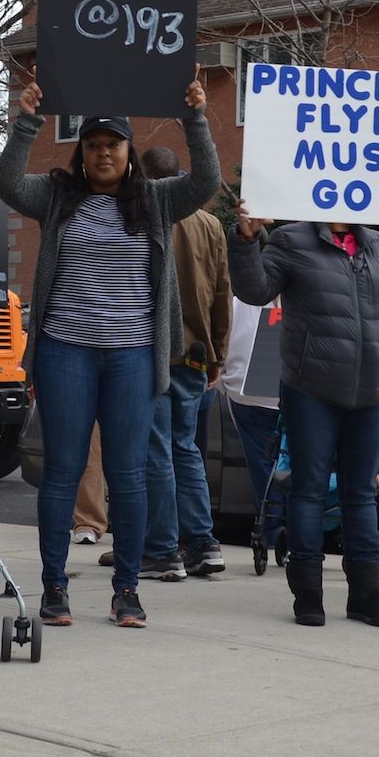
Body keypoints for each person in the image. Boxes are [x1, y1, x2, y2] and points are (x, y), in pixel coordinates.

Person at [0, 76, 219, 630]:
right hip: (66, 351)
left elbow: (207, 181)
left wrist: (196, 116)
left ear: (128, 153)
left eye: (113, 145)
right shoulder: (56, 195)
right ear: (82, 153)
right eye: (93, 146)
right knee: (64, 471)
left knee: (130, 474)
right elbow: (5, 184)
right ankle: (53, 586)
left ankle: (127, 592)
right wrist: (26, 120)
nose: (102, 154)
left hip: (133, 356)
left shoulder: (157, 199)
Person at [228, 206, 379, 628]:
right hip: (311, 389)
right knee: (308, 490)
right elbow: (255, 290)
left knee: (360, 494)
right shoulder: (292, 240)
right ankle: (309, 596)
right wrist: (245, 242)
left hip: (372, 393)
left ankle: (365, 596)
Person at [139, 145, 231, 577]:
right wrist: (218, 353)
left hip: (149, 349)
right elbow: (220, 295)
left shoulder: (144, 213)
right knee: (185, 447)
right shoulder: (210, 223)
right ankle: (202, 543)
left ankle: (162, 549)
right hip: (196, 352)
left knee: (157, 448)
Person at [218, 295, 281, 559]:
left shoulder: (241, 299)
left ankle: (275, 532)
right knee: (300, 464)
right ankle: (294, 532)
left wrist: (224, 380)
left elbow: (227, 342)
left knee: (264, 468)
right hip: (300, 390)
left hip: (248, 391)